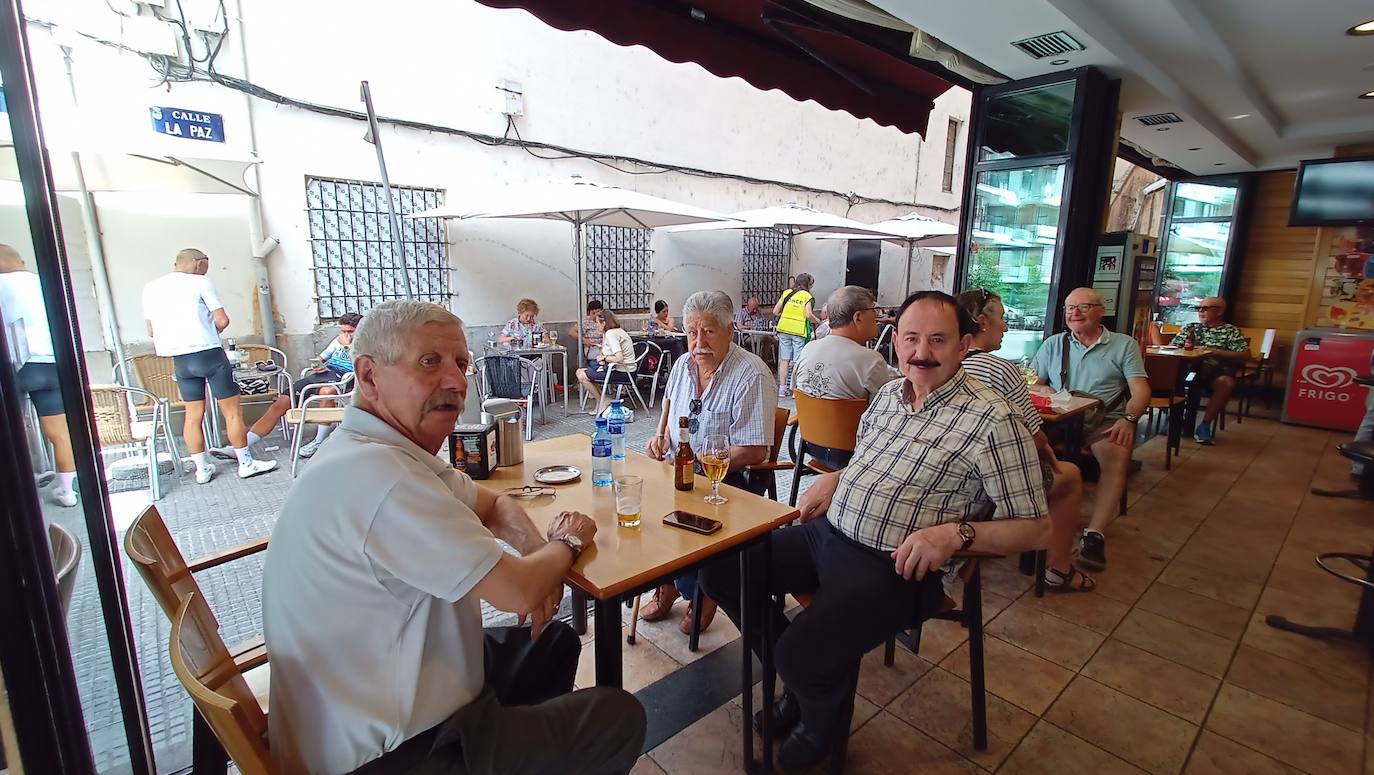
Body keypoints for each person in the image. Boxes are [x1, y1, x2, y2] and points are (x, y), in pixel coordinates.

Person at [262, 299, 644, 775]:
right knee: (617, 716)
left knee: (554, 644)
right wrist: (565, 543)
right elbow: (518, 591)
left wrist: (533, 551)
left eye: (461, 363)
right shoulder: (382, 478)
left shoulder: (383, 450)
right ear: (368, 376)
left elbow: (494, 504)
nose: (457, 381)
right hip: (390, 752)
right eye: (430, 362)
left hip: (393, 683)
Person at [700, 291, 1050, 769]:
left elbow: (1037, 527)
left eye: (938, 340)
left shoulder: (993, 419)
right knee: (720, 570)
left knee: (806, 651)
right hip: (828, 534)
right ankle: (809, 684)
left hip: (898, 566)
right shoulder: (887, 395)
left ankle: (813, 710)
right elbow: (870, 460)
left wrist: (956, 536)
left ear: (965, 344)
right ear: (896, 341)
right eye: (911, 338)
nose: (921, 352)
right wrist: (836, 477)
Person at [641, 290, 777, 635]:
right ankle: (669, 582)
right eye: (692, 332)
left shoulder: (751, 374)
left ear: (730, 330)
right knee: (643, 507)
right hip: (680, 471)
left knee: (689, 510)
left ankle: (703, 591)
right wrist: (660, 440)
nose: (698, 342)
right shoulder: (682, 366)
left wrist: (706, 462)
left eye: (709, 332)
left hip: (729, 479)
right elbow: (668, 413)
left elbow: (754, 449)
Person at [957, 289, 1092, 592]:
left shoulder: (939, 364)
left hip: (944, 481)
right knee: (1069, 474)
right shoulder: (1003, 369)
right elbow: (1032, 438)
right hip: (981, 490)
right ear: (981, 322)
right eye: (1002, 318)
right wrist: (1045, 449)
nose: (1005, 326)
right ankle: (1058, 569)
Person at [1032, 287, 1150, 572]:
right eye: (1069, 308)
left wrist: (1129, 420)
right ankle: (1033, 519)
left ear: (1101, 311)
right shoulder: (1053, 344)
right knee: (1023, 445)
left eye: (1083, 307)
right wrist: (1041, 386)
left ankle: (1094, 534)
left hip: (1104, 418)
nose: (1074, 313)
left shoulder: (1123, 345)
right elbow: (1034, 381)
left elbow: (1141, 390)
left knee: (1117, 456)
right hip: (1059, 419)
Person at [142, 249, 277, 483]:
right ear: (197, 263)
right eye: (206, 264)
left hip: (180, 359)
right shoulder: (200, 282)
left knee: (193, 416)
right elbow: (222, 319)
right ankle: (246, 463)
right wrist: (213, 330)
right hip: (208, 354)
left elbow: (151, 331)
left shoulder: (151, 288)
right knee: (232, 412)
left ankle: (201, 469)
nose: (207, 269)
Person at [222, 313, 362, 461]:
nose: (346, 335)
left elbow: (360, 366)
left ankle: (318, 442)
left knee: (326, 392)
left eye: (350, 331)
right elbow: (321, 358)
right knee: (281, 402)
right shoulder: (338, 340)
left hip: (346, 377)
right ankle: (243, 445)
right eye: (343, 331)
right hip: (326, 374)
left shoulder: (365, 344)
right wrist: (316, 365)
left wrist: (348, 346)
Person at [0, 244, 78, 506]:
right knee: (59, 432)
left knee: (12, 433)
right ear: (20, 260)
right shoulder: (46, 283)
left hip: (13, 365)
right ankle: (67, 490)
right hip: (51, 362)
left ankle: (19, 494)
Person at [1150, 297, 1249, 444]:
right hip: (1187, 368)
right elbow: (1173, 348)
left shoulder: (1230, 331)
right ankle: (1174, 418)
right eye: (1199, 308)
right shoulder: (1191, 327)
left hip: (1216, 370)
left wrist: (1213, 351)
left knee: (1226, 383)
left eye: (1205, 308)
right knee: (1163, 377)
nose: (1201, 311)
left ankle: (1205, 425)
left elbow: (1246, 355)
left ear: (1220, 311)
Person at [793, 286, 895, 401]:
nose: (877, 317)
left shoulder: (808, 349)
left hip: (806, 419)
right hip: (852, 419)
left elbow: (796, 391)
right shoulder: (872, 360)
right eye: (874, 310)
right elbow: (886, 405)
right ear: (858, 317)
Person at [574, 310, 635, 415]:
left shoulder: (611, 334)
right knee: (581, 371)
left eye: (597, 322)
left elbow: (619, 357)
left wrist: (605, 358)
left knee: (582, 376)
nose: (596, 325)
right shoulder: (617, 331)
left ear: (604, 323)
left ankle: (602, 400)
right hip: (627, 370)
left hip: (622, 372)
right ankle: (602, 400)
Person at [773, 273, 821, 397]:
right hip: (798, 331)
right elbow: (809, 315)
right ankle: (796, 389)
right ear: (807, 284)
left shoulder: (786, 293)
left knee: (784, 360)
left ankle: (782, 389)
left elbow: (775, 311)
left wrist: (786, 317)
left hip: (783, 329)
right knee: (798, 360)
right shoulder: (807, 296)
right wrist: (818, 321)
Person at [733, 295, 776, 362]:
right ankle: (763, 361)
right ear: (748, 306)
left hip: (760, 333)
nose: (755, 310)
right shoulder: (741, 312)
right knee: (766, 339)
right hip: (748, 336)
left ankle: (772, 362)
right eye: (753, 309)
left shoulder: (759, 313)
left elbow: (764, 323)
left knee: (775, 340)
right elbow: (738, 326)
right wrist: (750, 327)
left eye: (756, 308)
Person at [568, 299, 605, 363]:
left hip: (604, 346)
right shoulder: (586, 322)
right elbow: (571, 332)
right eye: (593, 313)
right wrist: (584, 340)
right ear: (589, 313)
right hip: (592, 348)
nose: (596, 315)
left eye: (598, 312)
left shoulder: (605, 321)